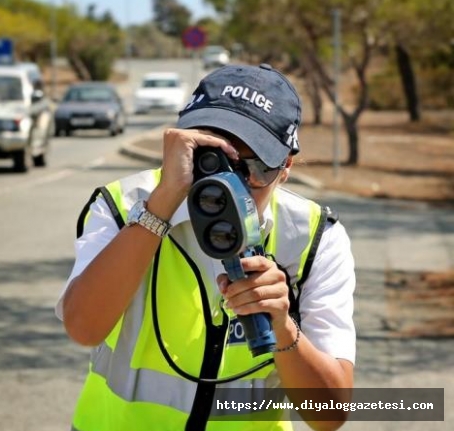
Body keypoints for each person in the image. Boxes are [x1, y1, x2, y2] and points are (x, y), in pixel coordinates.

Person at [56, 64, 356, 431]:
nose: (231, 185)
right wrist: (161, 205)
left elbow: (329, 416)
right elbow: (84, 328)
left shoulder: (311, 237)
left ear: (286, 167)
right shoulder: (123, 206)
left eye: (255, 167)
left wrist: (283, 325)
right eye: (211, 159)